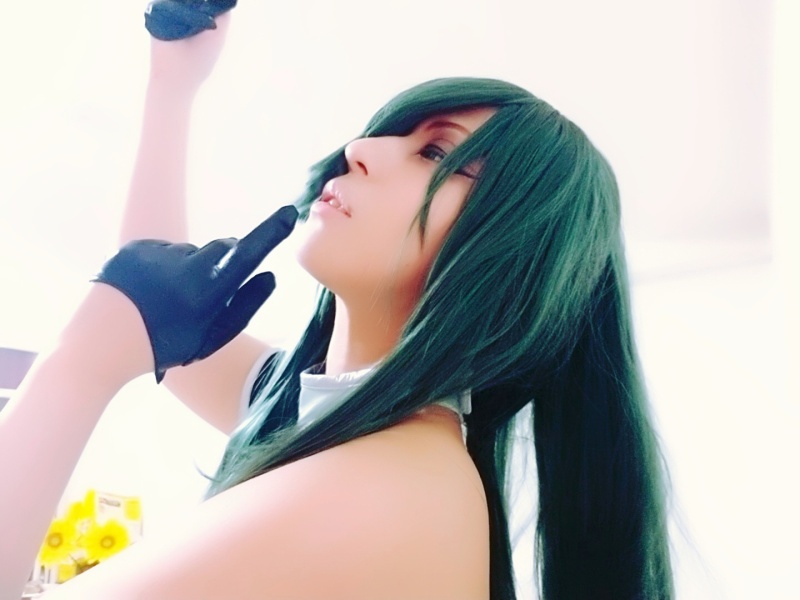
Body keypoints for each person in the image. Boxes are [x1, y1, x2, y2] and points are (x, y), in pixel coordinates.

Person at [0, 6, 674, 600]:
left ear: (509, 252)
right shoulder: (339, 423)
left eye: (435, 152)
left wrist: (77, 366)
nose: (360, 149)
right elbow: (157, 301)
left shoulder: (382, 493)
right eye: (392, 133)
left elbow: (135, 323)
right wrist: (174, 80)